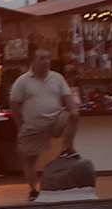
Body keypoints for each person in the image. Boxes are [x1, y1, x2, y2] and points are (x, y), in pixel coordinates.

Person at [8, 48, 78, 199]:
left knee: (73, 116)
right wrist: (21, 125)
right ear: (32, 61)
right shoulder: (22, 81)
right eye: (41, 58)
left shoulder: (57, 78)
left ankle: (68, 148)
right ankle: (33, 190)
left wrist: (74, 110)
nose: (46, 61)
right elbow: (14, 106)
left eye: (48, 58)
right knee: (29, 159)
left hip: (55, 120)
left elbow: (67, 97)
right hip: (33, 125)